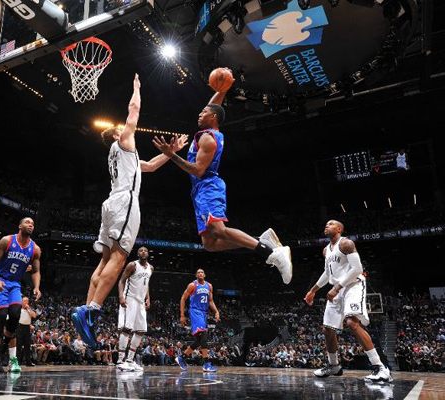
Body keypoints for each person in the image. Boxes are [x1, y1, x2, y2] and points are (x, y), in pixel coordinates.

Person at [72, 73, 187, 348]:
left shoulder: (124, 156)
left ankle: (86, 310)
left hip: (112, 204)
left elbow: (150, 166)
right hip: (125, 202)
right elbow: (133, 111)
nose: (127, 129)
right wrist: (136, 88)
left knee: (105, 261)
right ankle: (93, 310)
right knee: (120, 257)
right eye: (122, 129)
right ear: (117, 135)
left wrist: (171, 153)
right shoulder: (123, 141)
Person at [152, 69, 292, 284]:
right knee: (209, 244)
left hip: (208, 186)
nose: (199, 114)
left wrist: (171, 155)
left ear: (213, 118)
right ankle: (261, 241)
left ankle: (270, 252)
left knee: (218, 230)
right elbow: (213, 106)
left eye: (203, 113)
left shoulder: (208, 138)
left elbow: (198, 170)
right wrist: (223, 89)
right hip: (199, 190)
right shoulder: (209, 128)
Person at [304, 220, 393, 382]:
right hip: (337, 288)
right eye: (326, 224)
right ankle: (334, 366)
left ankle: (380, 367)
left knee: (352, 322)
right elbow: (327, 274)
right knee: (328, 329)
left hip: (353, 285)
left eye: (331, 224)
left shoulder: (346, 243)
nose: (326, 225)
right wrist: (313, 290)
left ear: (339, 229)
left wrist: (337, 287)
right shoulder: (326, 250)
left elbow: (357, 269)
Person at [0, 217, 42, 373]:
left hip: (15, 284)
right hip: (0, 281)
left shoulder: (35, 249)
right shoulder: (7, 241)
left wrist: (37, 287)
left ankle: (2, 349)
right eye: (27, 223)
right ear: (20, 226)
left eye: (33, 224)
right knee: (1, 314)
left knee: (15, 314)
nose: (30, 225)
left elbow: (36, 271)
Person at [175, 269, 220, 372]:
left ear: (205, 275)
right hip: (195, 311)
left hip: (203, 313)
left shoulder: (209, 286)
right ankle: (206, 363)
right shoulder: (192, 285)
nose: (200, 273)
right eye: (198, 272)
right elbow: (183, 298)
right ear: (196, 275)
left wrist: (216, 311)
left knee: (199, 340)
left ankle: (182, 358)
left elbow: (211, 301)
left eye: (202, 272)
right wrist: (182, 315)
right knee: (204, 335)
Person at [116, 246, 152, 372]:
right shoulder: (132, 265)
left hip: (141, 301)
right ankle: (120, 360)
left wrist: (148, 298)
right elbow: (121, 281)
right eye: (141, 251)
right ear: (138, 254)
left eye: (145, 251)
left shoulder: (151, 268)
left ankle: (130, 360)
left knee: (141, 330)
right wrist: (121, 296)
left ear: (148, 254)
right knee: (127, 328)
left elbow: (146, 284)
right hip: (130, 298)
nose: (143, 252)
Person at [17, 297, 37, 366]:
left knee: (27, 345)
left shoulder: (29, 309)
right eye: (24, 301)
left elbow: (34, 316)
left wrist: (29, 309)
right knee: (19, 345)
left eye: (27, 301)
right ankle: (18, 362)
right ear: (21, 302)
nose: (25, 302)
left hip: (27, 328)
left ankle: (28, 362)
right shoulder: (18, 309)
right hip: (19, 327)